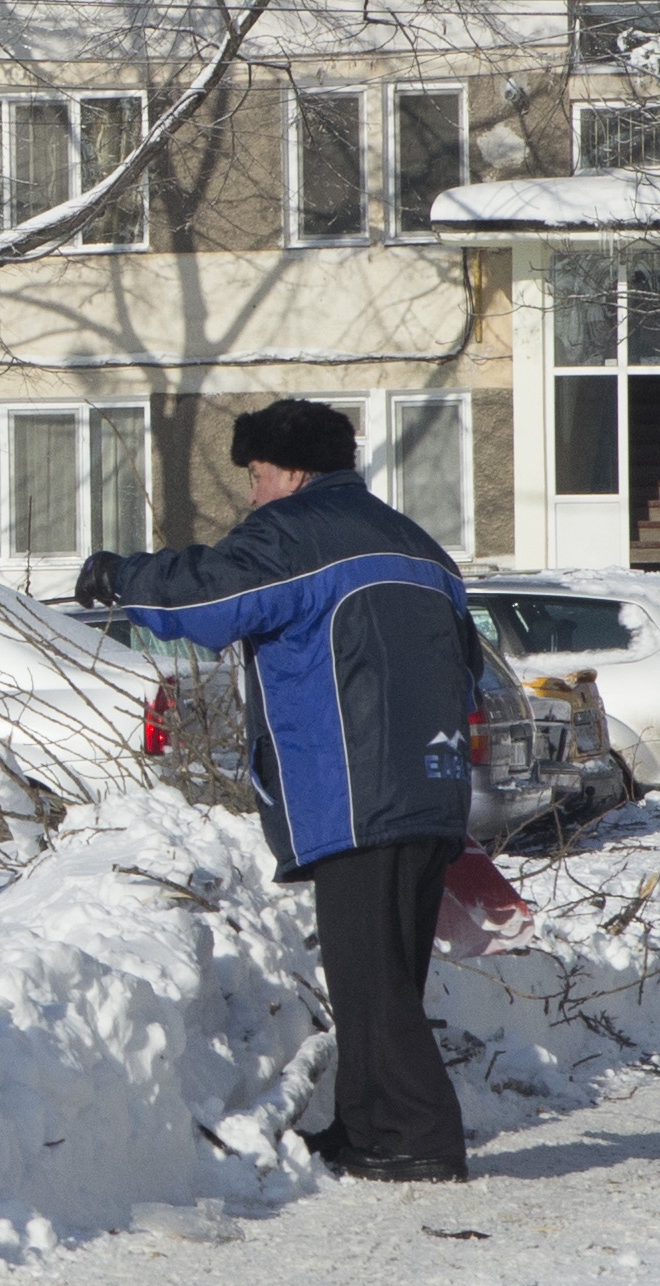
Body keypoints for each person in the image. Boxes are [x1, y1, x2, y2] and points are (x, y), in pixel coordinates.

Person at [75, 398, 477, 1183]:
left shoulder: (294, 533)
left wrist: (123, 575)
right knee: (384, 972)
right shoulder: (423, 547)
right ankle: (369, 1125)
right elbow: (467, 668)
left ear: (291, 469)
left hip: (359, 786)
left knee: (371, 975)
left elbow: (210, 596)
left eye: (257, 476)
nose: (252, 495)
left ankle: (419, 1136)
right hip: (433, 784)